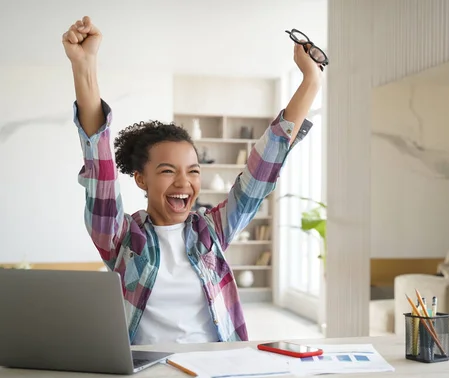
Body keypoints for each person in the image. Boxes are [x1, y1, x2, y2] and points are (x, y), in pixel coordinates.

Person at [62, 16, 321, 345]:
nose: (184, 182)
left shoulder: (211, 231)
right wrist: (85, 66)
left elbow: (262, 170)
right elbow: (100, 171)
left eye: (193, 170)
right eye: (168, 171)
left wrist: (311, 81)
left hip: (214, 371)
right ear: (140, 179)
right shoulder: (120, 239)